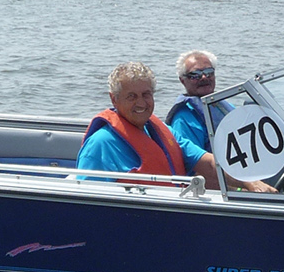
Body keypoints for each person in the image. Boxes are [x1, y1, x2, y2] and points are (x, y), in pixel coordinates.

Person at [78, 61, 220, 185]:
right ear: (114, 99)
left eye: (146, 94)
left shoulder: (166, 133)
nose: (141, 103)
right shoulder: (100, 145)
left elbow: (209, 164)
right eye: (131, 96)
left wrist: (235, 174)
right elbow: (83, 199)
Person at [164, 49, 276, 192]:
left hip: (252, 172)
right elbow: (196, 173)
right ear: (182, 80)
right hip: (228, 191)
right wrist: (241, 190)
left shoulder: (221, 105)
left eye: (209, 72)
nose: (204, 77)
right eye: (195, 75)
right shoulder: (184, 119)